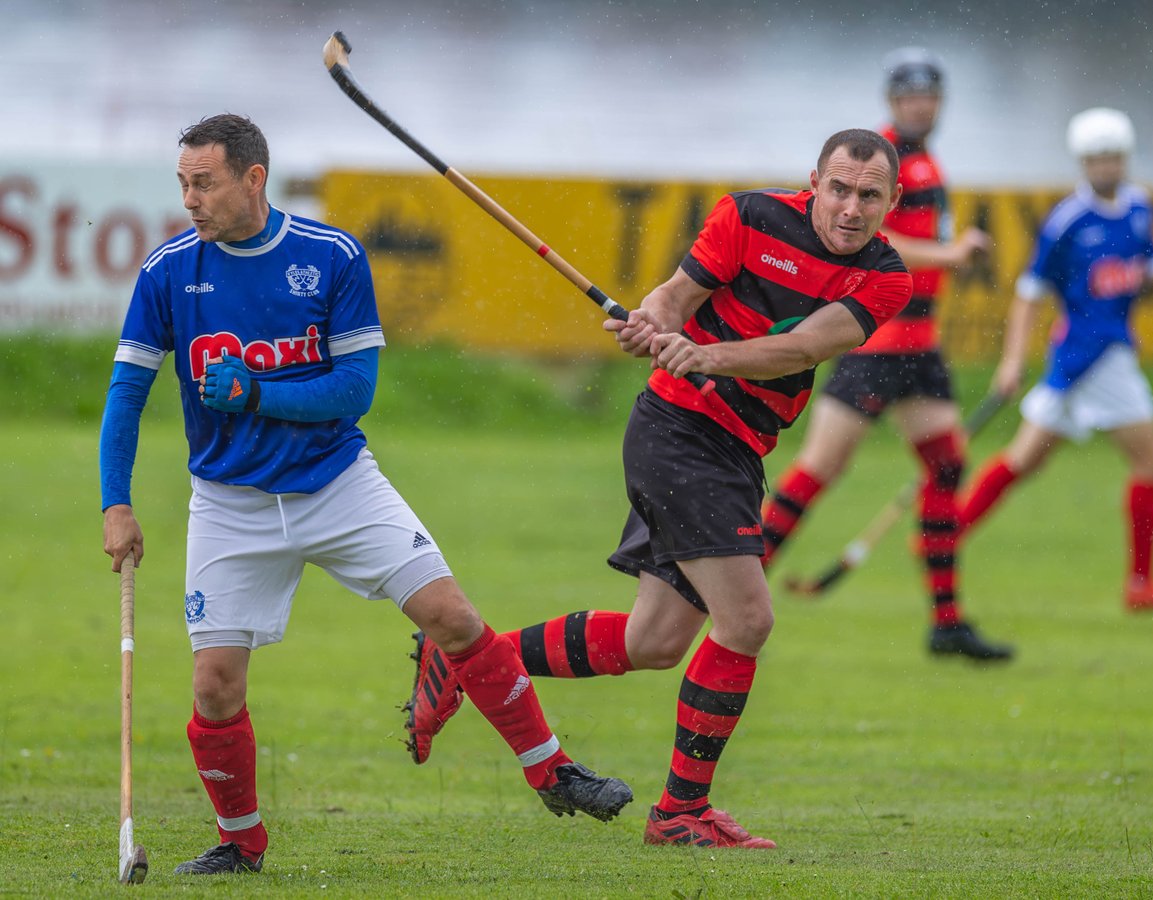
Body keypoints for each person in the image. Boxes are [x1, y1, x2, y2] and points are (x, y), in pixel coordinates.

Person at [99, 114, 632, 877]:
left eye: (204, 182)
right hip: (229, 503)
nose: (190, 199)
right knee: (214, 687)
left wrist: (254, 392)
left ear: (253, 178)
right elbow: (126, 393)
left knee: (452, 617)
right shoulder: (167, 272)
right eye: (183, 183)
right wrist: (115, 502)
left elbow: (354, 391)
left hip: (337, 482)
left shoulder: (331, 256)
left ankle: (553, 771)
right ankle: (240, 846)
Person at [403, 128, 913, 849]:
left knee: (655, 640)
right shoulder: (748, 218)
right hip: (680, 432)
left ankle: (466, 658)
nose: (851, 208)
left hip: (737, 448)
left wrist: (707, 352)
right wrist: (652, 322)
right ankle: (680, 813)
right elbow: (675, 295)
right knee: (747, 620)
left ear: (893, 201)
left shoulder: (885, 276)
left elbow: (801, 348)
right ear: (813, 183)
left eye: (869, 195)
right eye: (839, 188)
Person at [757, 48, 1013, 661]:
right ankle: (731, 587)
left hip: (921, 350)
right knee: (816, 472)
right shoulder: (883, 162)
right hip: (877, 344)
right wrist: (951, 256)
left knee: (947, 467)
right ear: (894, 102)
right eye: (910, 96)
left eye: (930, 95)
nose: (921, 105)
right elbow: (872, 232)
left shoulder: (926, 162)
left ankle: (946, 623)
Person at [959, 106, 1153, 613]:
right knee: (1152, 461)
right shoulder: (1067, 221)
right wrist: (1011, 360)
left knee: (1025, 460)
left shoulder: (1138, 210)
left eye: (1114, 157)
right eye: (1096, 159)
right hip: (1094, 355)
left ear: (1126, 158)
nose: (1106, 167)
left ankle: (942, 537)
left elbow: (1149, 281)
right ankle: (1141, 585)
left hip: (1093, 356)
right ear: (1082, 163)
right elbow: (1029, 294)